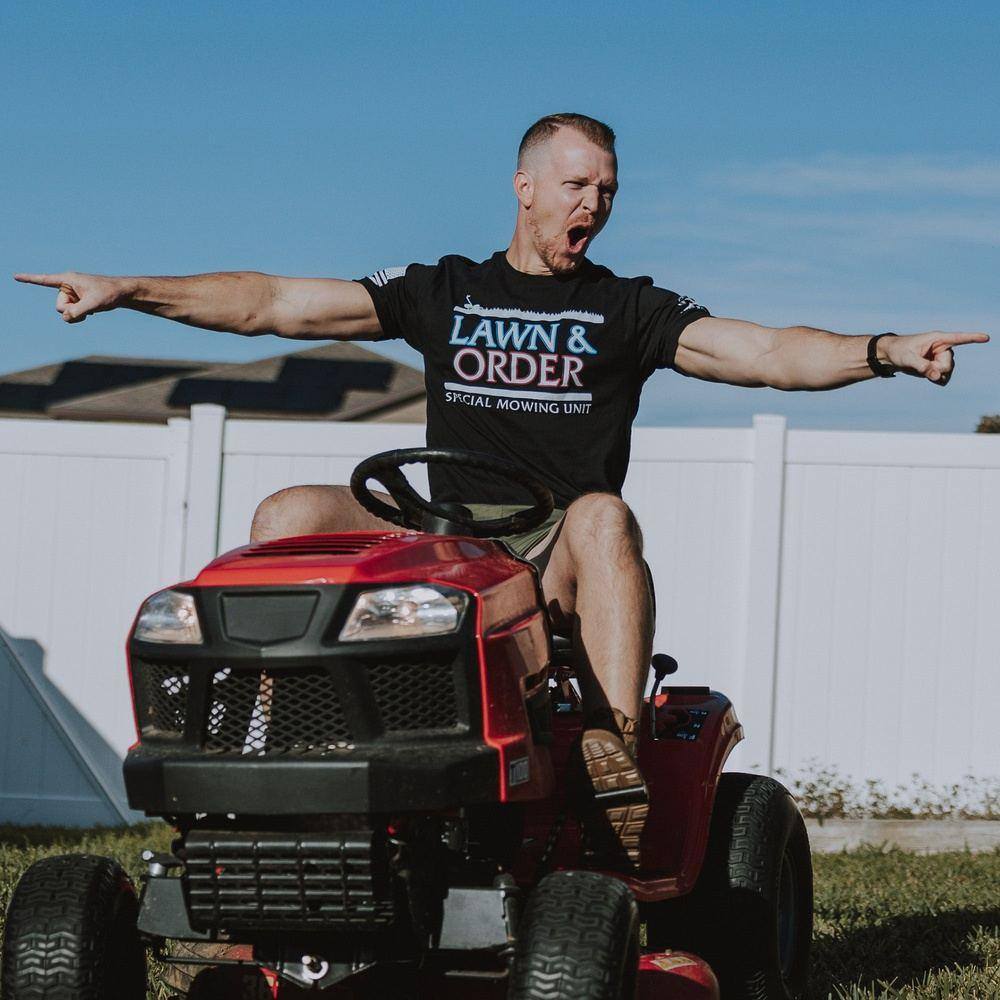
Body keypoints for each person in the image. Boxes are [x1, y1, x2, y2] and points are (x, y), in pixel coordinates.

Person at [14, 112, 988, 867]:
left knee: (604, 513)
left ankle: (611, 750)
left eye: (607, 190)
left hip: (548, 546)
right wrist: (127, 286)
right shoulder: (445, 290)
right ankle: (272, 743)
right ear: (524, 187)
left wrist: (883, 351)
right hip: (438, 536)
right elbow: (274, 300)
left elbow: (767, 351)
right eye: (577, 185)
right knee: (289, 515)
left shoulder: (625, 309)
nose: (594, 205)